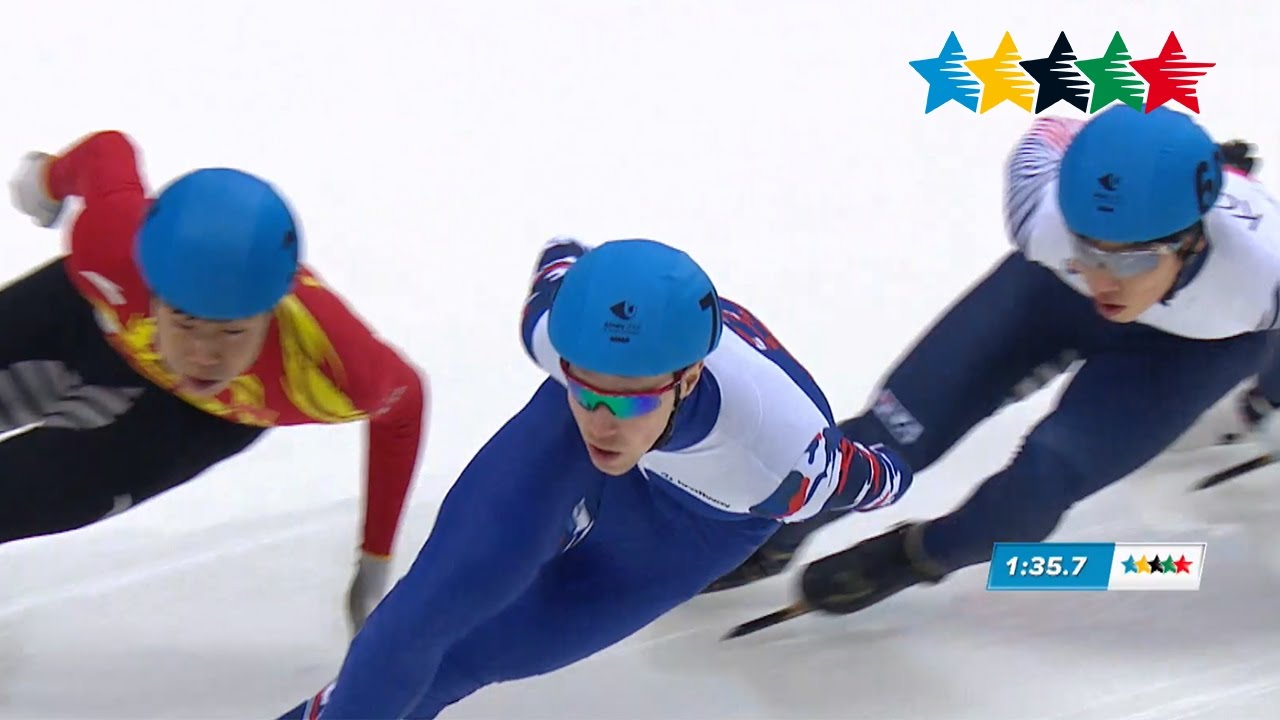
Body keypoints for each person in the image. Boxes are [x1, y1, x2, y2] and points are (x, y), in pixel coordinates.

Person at [278, 236, 913, 719]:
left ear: (687, 380)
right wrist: (582, 378)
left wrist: (893, 473)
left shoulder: (779, 460)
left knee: (475, 652)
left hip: (691, 523)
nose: (604, 425)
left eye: (631, 401)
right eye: (587, 392)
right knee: (426, 611)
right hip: (566, 448)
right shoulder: (556, 335)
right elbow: (560, 257)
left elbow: (876, 478)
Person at [703, 103, 1280, 615]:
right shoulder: (1041, 211)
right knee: (891, 437)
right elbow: (1056, 128)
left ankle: (916, 556)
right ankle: (777, 533)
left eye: (1129, 261)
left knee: (1032, 496)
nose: (1104, 276)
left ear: (1192, 240)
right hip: (1053, 292)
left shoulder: (1259, 280)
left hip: (1189, 351)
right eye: (1087, 247)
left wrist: (1269, 396)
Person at [3, 130, 429, 634]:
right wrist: (47, 180)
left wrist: (375, 557)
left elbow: (404, 408)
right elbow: (107, 152)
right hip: (85, 324)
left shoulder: (330, 366)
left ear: (272, 313)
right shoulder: (109, 246)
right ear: (152, 290)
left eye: (233, 331)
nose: (204, 355)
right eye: (185, 323)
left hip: (191, 421)